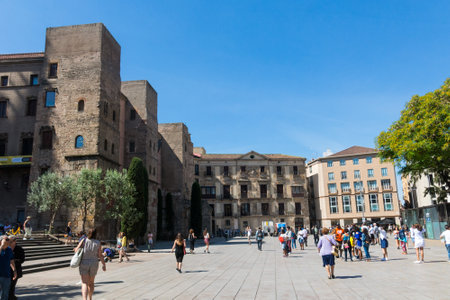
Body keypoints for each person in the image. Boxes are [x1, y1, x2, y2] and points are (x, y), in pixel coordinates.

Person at [74, 228, 106, 300]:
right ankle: (90, 298)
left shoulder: (84, 240)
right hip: (94, 263)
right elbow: (100, 255)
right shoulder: (98, 242)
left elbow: (76, 250)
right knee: (91, 283)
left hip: (84, 262)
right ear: (96, 234)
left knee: (84, 283)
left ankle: (84, 299)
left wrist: (76, 249)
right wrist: (104, 264)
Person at [8, 236, 25, 300]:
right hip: (6, 271)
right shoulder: (6, 248)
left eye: (11, 242)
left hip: (16, 270)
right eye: (9, 241)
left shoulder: (19, 249)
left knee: (12, 286)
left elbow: (22, 259)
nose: (9, 243)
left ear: (15, 242)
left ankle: (11, 297)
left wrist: (13, 261)